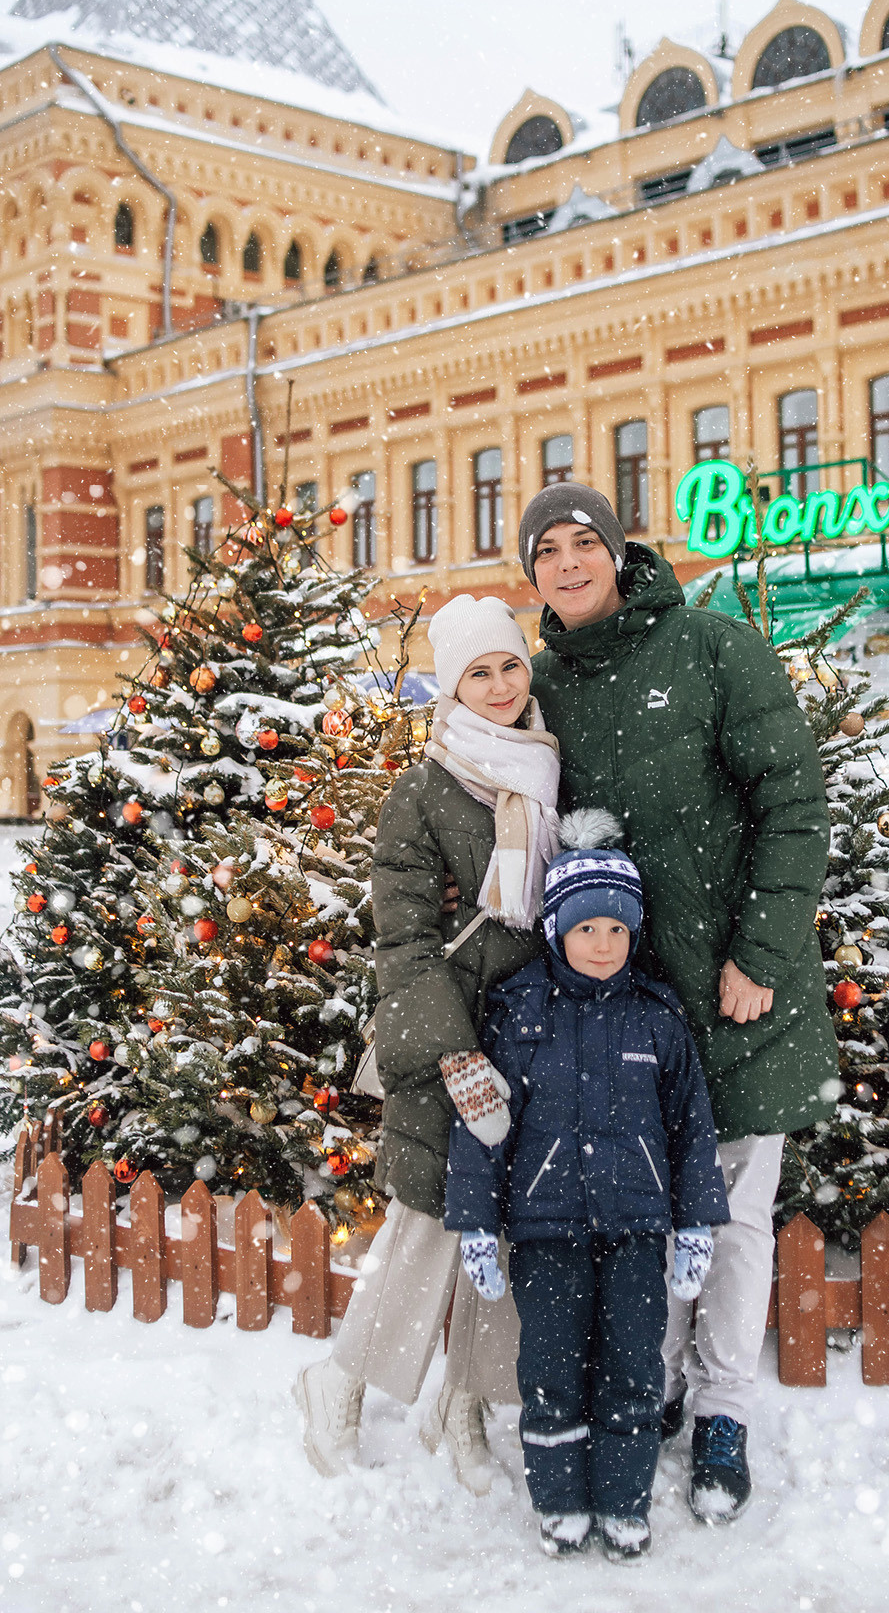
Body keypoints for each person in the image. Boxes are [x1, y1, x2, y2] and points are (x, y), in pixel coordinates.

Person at [516, 482, 835, 1526]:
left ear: (618, 550)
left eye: (583, 544)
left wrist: (762, 953)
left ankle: (726, 1413)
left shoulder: (711, 647)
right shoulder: (543, 688)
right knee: (641, 1216)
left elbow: (791, 800)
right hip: (624, 1014)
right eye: (545, 552)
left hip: (738, 997)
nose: (567, 565)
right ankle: (648, 1390)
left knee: (736, 1221)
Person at [293, 594, 559, 1490]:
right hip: (451, 1033)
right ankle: (339, 1381)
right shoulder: (426, 785)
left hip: (531, 1034)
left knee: (513, 1227)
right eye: (476, 673)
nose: (497, 686)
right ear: (450, 686)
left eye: (508, 666)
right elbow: (403, 936)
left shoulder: (547, 766)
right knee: (432, 1221)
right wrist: (453, 1053)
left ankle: (467, 1403)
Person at [445, 818, 729, 1561]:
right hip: (546, 1232)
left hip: (637, 1230)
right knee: (550, 1369)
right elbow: (481, 1125)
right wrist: (477, 1222)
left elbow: (690, 1128)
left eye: (615, 928)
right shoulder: (518, 1013)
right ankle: (561, 1500)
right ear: (555, 931)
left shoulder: (658, 1018)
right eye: (585, 928)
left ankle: (624, 1500)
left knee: (635, 1367)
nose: (602, 945)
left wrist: (696, 1222)